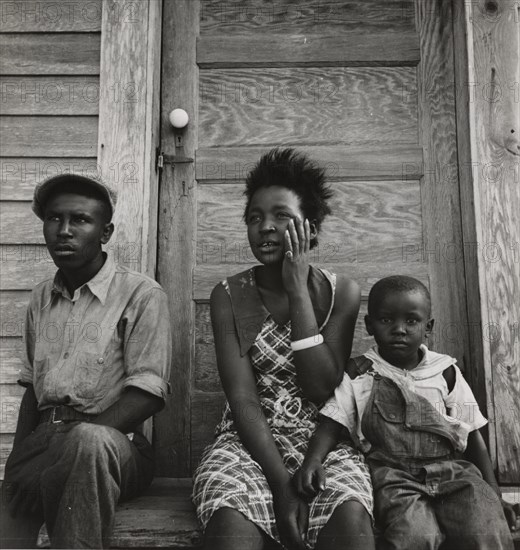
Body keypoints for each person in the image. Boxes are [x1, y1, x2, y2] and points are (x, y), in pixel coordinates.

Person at [192, 149, 375, 550]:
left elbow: (322, 387)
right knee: (230, 533)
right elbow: (242, 398)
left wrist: (297, 289)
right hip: (248, 444)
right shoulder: (228, 295)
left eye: (281, 216)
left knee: (352, 528)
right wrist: (279, 484)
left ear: (310, 228)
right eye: (255, 218)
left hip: (323, 444)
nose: (266, 227)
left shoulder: (341, 292)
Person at [0, 174, 172, 548]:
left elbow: (148, 394)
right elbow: (32, 388)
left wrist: (58, 456)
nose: (64, 230)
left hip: (113, 447)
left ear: (105, 232)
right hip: (43, 440)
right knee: (8, 520)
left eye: (79, 220)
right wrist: (16, 464)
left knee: (87, 443)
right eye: (54, 219)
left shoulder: (141, 295)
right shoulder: (41, 298)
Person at [294, 275, 518, 549]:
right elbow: (331, 423)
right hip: (392, 475)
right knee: (414, 535)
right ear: (369, 326)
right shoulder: (361, 372)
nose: (399, 329)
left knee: (484, 529)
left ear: (428, 326)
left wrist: (495, 495)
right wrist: (312, 461)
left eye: (411, 321)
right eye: (387, 320)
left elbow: (472, 433)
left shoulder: (445, 371)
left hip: (453, 472)